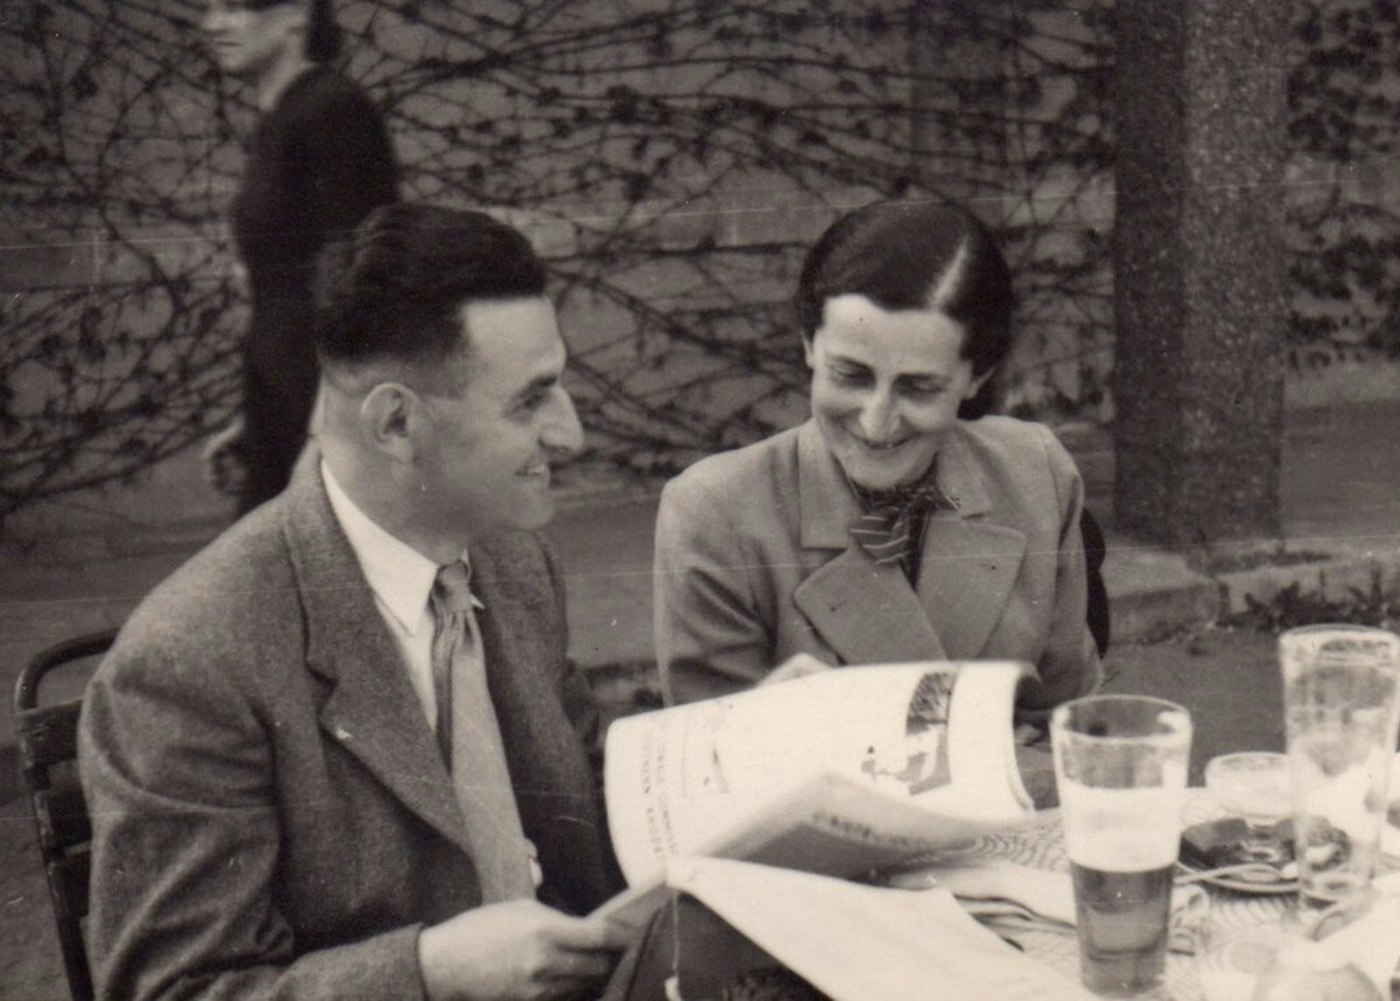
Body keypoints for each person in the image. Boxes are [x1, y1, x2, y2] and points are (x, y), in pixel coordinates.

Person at [79, 203, 627, 1000]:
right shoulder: (191, 658)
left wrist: (744, 755)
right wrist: (429, 971)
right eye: (529, 400)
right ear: (397, 423)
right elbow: (173, 990)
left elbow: (578, 796)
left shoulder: (510, 558)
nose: (571, 434)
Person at [653, 199, 1102, 718]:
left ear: (976, 375)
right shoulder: (716, 514)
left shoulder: (1034, 473)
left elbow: (1070, 727)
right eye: (850, 375)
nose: (876, 422)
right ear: (808, 345)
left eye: (919, 387)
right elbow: (712, 774)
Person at [200, 0, 400, 515]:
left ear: (297, 15)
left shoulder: (331, 111)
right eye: (209, 8)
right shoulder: (284, 116)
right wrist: (257, 416)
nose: (214, 24)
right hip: (283, 395)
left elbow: (364, 270)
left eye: (237, 8)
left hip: (323, 409)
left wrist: (323, 424)